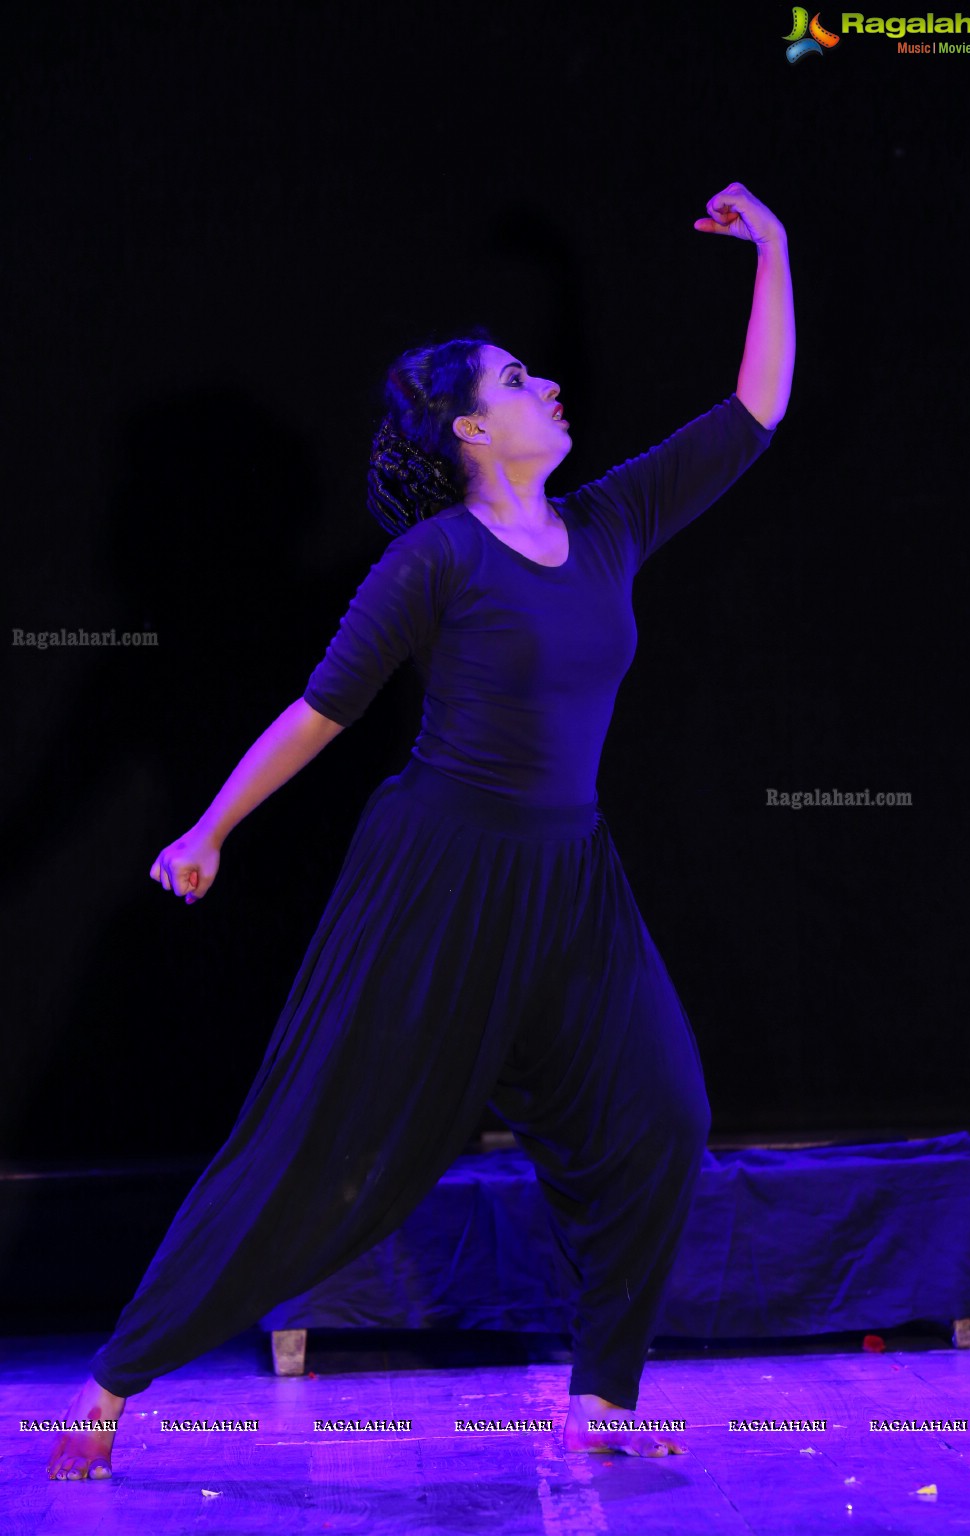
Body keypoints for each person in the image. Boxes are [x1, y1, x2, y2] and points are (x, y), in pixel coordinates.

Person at [46, 183, 794, 1476]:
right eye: (517, 377)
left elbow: (756, 410)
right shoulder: (436, 560)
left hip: (574, 883)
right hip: (438, 879)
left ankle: (599, 1398)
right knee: (321, 1145)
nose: (547, 383)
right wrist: (210, 828)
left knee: (666, 1111)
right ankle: (115, 1383)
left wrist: (772, 252)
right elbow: (319, 711)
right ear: (469, 427)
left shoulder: (611, 522)